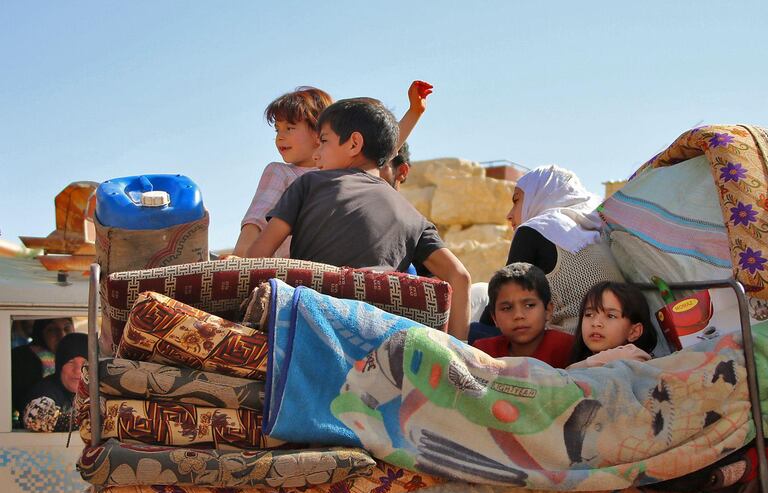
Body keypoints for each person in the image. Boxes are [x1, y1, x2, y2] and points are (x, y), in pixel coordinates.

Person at [247, 97, 471, 339]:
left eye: (323, 142)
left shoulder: (310, 184)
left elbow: (255, 258)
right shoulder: (413, 216)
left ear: (354, 143)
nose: (316, 155)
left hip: (311, 330)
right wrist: (460, 350)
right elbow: (460, 277)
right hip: (382, 340)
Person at [233, 82, 433, 257]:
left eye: (290, 128)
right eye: (278, 129)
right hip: (293, 267)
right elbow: (258, 218)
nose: (280, 137)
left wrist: (414, 112)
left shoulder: (343, 173)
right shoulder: (281, 172)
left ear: (319, 129)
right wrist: (242, 256)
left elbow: (383, 147)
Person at [480, 165, 625, 335]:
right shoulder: (596, 230)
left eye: (517, 200)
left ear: (540, 197)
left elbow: (499, 307)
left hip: (568, 345)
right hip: (612, 341)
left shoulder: (535, 229)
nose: (509, 215)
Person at [473, 263, 573, 367]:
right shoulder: (484, 353)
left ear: (548, 310)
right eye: (507, 308)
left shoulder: (568, 349)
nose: (518, 315)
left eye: (529, 305)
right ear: (494, 318)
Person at [567, 282, 658, 369]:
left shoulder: (633, 356)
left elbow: (629, 353)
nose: (596, 323)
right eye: (589, 314)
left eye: (611, 316)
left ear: (634, 332)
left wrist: (570, 371)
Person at [22, 332, 87, 432]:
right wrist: (90, 423)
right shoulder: (45, 390)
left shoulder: (103, 390)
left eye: (85, 363)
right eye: (70, 361)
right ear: (60, 365)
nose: (78, 370)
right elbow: (36, 417)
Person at [11, 317, 74, 415]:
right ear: (40, 333)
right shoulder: (24, 359)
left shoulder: (82, 358)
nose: (62, 335)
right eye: (52, 330)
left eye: (67, 328)